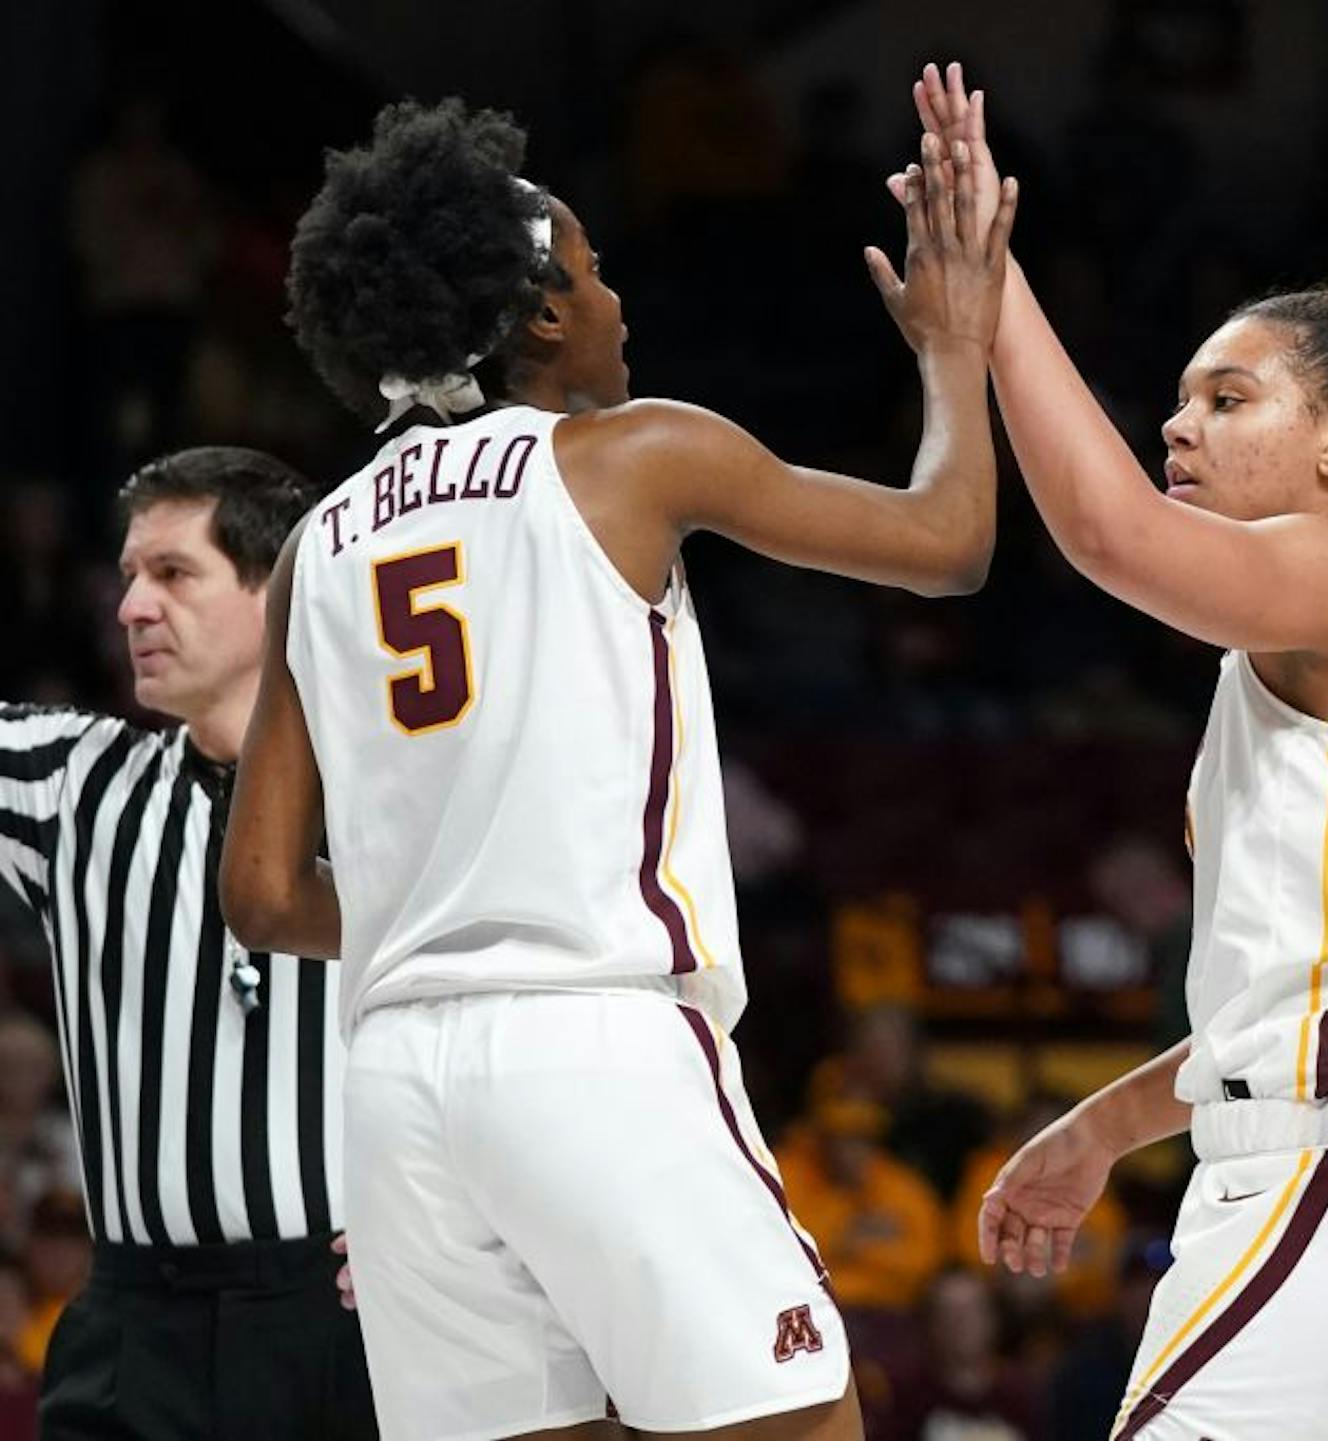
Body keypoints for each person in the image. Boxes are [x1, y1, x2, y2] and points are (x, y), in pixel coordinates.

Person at [219, 98, 1014, 1441]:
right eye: (589, 272)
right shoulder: (632, 453)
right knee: (805, 1420)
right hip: (595, 1037)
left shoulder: (318, 545)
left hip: (400, 1084)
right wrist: (956, 348)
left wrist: (448, 908)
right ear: (535, 314)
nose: (615, 296)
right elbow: (948, 542)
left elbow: (260, 894)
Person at [908, 64, 1328, 1440]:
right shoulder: (1318, 630)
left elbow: (1110, 535)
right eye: (1183, 399)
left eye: (1228, 399)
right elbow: (1290, 1009)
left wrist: (993, 285)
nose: (1180, 423)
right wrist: (1096, 1132)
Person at [0, 448, 369, 1438]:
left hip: (345, 1322)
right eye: (128, 577)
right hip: (133, 1324)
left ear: (277, 592)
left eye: (173, 573)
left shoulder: (396, 790)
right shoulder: (72, 779)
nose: (130, 608)